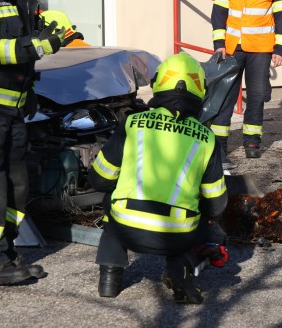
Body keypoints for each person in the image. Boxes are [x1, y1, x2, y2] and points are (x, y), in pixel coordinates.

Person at [89, 52, 228, 304]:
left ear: (158, 83)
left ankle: (109, 278)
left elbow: (100, 178)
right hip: (178, 234)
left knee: (111, 202)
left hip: (126, 226)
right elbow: (217, 202)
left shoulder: (132, 123)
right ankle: (179, 268)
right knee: (203, 222)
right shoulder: (207, 138)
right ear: (200, 90)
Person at [0, 0, 66, 285]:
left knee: (17, 186)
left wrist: (52, 30)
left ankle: (8, 255)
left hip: (15, 108)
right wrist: (38, 44)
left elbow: (27, 49)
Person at [210, 0, 282, 160]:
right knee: (224, 96)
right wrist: (219, 44)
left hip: (261, 50)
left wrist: (280, 48)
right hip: (232, 48)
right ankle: (219, 147)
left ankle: (252, 143)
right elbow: (219, 13)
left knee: (256, 96)